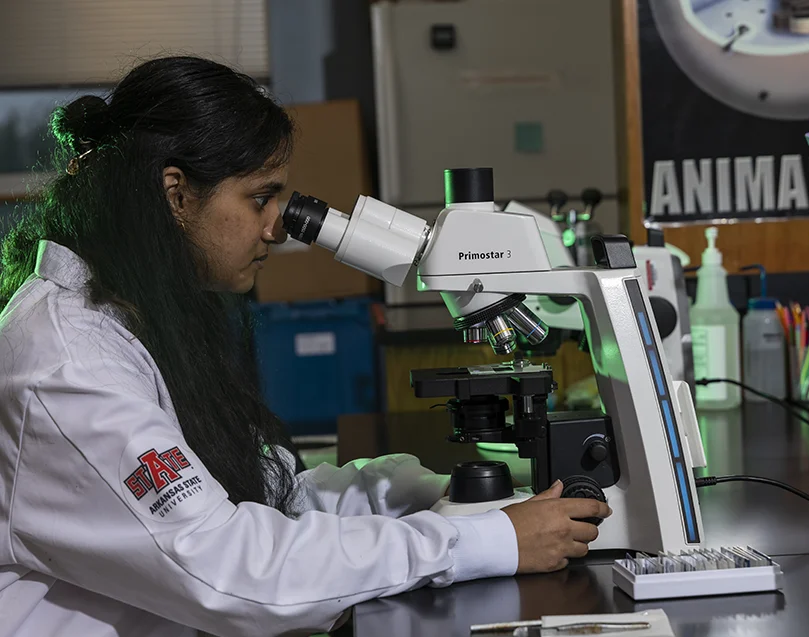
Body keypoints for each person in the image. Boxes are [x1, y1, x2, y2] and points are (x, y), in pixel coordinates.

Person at [0, 56, 611, 637]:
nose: (276, 227)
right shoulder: (71, 368)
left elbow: (273, 495)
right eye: (259, 198)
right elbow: (232, 571)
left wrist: (414, 494)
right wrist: (485, 541)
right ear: (175, 195)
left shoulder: (137, 316)